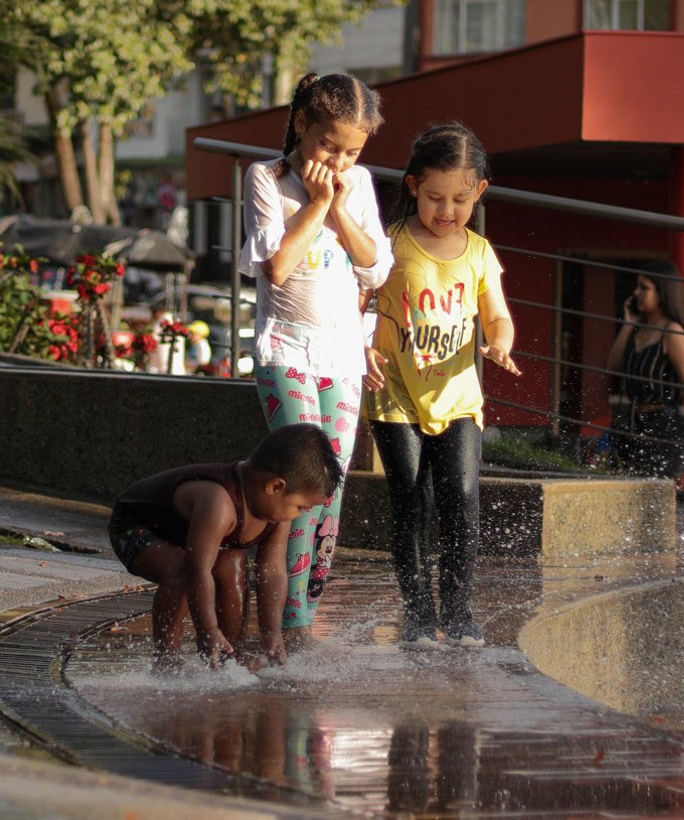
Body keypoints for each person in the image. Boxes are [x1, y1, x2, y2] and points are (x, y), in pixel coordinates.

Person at [239, 72, 393, 650]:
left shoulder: (360, 182)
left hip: (342, 356)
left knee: (330, 482)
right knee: (297, 477)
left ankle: (306, 599)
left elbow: (375, 267)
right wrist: (319, 203)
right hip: (287, 349)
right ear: (303, 124)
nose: (340, 159)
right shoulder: (268, 178)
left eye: (352, 150)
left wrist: (341, 207)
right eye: (330, 145)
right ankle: (285, 611)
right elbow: (275, 268)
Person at [364, 121, 521, 649]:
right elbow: (358, 304)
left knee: (462, 495)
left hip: (457, 398)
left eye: (459, 198)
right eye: (434, 197)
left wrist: (500, 342)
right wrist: (362, 343)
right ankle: (417, 614)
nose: (447, 210)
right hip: (395, 395)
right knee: (410, 501)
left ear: (479, 191)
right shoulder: (390, 245)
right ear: (412, 187)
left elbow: (497, 315)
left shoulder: (478, 252)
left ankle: (457, 612)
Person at [107, 424, 342, 672]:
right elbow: (197, 569)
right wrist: (208, 630)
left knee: (234, 563)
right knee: (180, 571)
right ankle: (167, 658)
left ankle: (230, 651)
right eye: (301, 507)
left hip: (189, 535)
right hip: (136, 527)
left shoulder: (277, 512)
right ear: (274, 486)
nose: (301, 514)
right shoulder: (219, 502)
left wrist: (272, 633)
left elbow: (272, 571)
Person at [607, 260, 684, 482]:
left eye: (644, 288)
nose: (636, 293)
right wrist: (627, 325)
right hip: (633, 426)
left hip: (666, 430)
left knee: (651, 499)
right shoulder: (637, 330)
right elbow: (612, 366)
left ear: (662, 293)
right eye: (637, 287)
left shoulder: (672, 334)